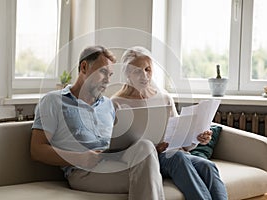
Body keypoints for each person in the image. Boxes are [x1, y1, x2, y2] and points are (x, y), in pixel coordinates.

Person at [30, 45, 165, 200]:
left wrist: (153, 148)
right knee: (148, 177)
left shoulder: (108, 105)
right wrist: (79, 158)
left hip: (113, 162)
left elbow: (118, 142)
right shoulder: (53, 101)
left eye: (110, 74)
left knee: (146, 146)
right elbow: (37, 150)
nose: (108, 80)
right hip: (83, 171)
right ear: (84, 67)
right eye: (103, 72)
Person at [111, 46, 228, 200]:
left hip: (170, 154)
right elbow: (114, 146)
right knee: (177, 157)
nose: (144, 75)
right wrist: (153, 148)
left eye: (148, 69)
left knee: (208, 166)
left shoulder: (164, 98)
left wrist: (196, 138)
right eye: (137, 71)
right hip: (144, 160)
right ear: (127, 74)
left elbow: (181, 141)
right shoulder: (116, 103)